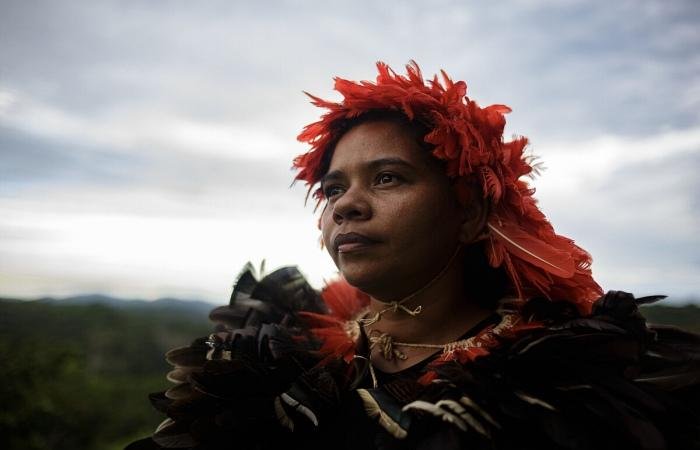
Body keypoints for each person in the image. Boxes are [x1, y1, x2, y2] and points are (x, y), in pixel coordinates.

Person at [127, 62, 700, 450]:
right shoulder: (277, 350)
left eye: (388, 178)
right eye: (331, 189)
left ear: (471, 214)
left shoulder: (577, 382)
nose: (346, 205)